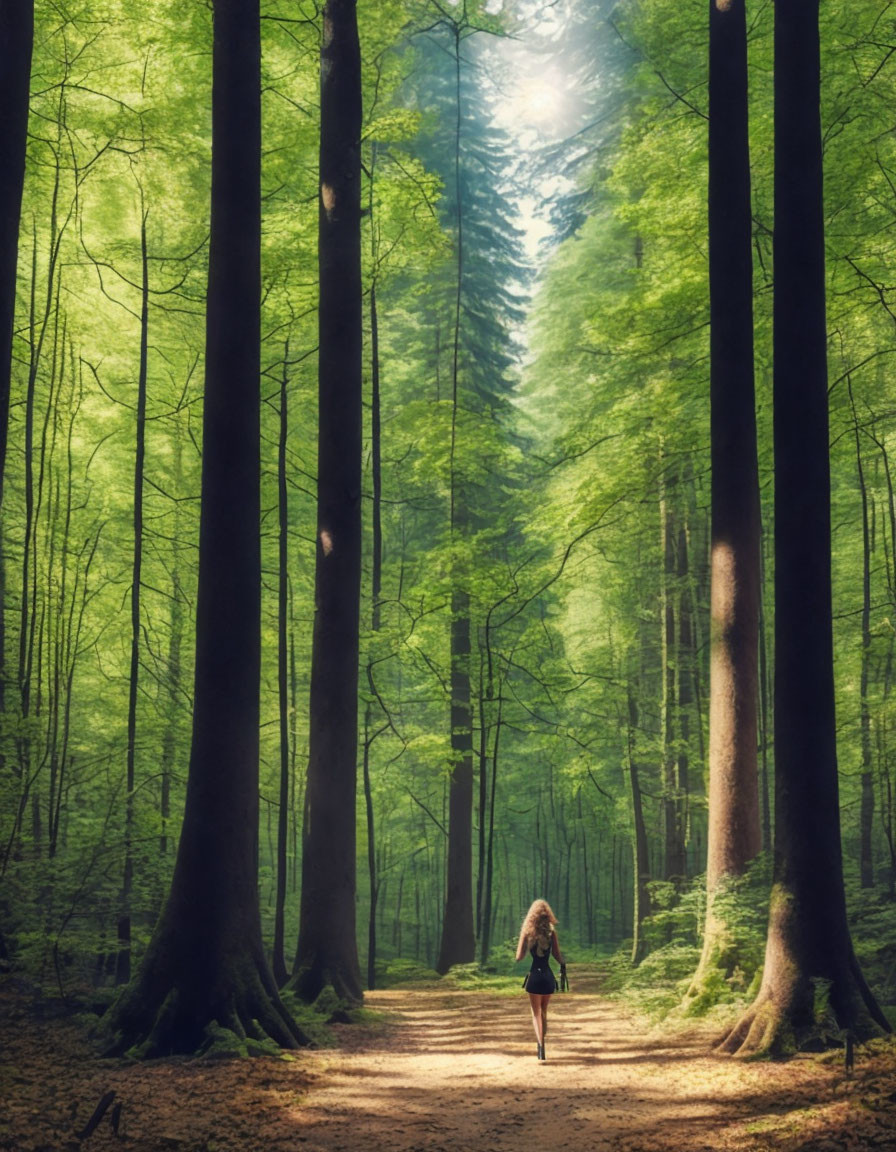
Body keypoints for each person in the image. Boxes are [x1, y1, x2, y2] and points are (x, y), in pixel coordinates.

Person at [515, 898, 565, 1061]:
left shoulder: (527, 933)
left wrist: (524, 944)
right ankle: (542, 1036)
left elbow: (519, 957)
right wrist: (564, 965)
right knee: (543, 1011)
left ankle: (541, 1048)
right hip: (548, 977)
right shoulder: (551, 933)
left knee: (535, 1013)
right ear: (547, 915)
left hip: (534, 977)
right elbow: (557, 956)